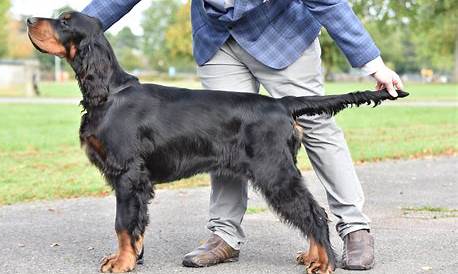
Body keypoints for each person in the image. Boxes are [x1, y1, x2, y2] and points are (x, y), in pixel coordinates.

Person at [82, 0, 404, 270]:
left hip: (281, 35)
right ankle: (224, 235)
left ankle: (353, 227)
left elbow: (328, 2)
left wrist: (372, 65)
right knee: (217, 138)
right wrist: (77, 29)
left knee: (316, 126)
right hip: (217, 39)